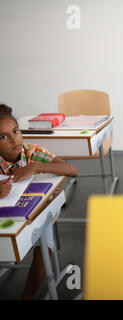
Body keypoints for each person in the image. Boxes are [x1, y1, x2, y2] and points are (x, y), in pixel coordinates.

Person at [0, 104, 78, 299]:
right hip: (8, 219)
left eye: (15, 131)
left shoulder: (32, 152)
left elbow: (72, 169)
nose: (14, 139)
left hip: (42, 209)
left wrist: (36, 167)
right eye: (3, 137)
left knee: (43, 250)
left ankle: (27, 296)